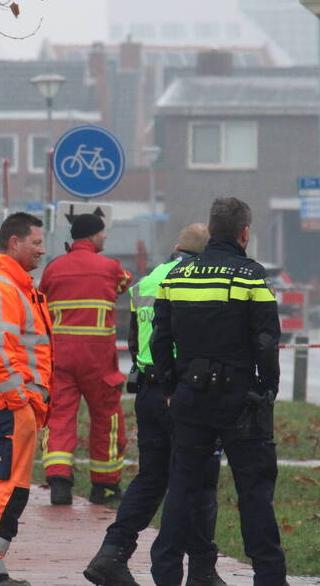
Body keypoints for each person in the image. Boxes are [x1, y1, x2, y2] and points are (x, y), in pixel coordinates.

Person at [149, 198, 285, 586]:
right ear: (244, 232)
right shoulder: (250, 277)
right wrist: (266, 390)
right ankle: (269, 577)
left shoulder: (176, 277)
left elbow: (161, 339)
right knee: (254, 492)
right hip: (240, 398)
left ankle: (165, 572)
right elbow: (265, 341)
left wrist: (171, 387)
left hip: (189, 397)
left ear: (211, 230)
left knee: (183, 487)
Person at [84, 223, 226, 586]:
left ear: (177, 245)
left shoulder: (146, 281)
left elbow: (134, 340)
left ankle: (111, 554)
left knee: (151, 478)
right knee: (198, 482)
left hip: (148, 390)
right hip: (183, 393)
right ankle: (200, 571)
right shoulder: (196, 280)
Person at [0, 212, 53, 586]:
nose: (42, 250)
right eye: (35, 242)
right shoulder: (1, 287)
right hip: (11, 405)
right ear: (13, 243)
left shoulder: (11, 285)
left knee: (7, 486)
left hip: (14, 404)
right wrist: (21, 400)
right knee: (2, 486)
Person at [38, 213, 132, 505]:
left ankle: (58, 479)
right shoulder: (110, 267)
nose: (105, 237)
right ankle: (104, 486)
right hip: (98, 358)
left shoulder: (53, 269)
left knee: (60, 417)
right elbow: (124, 283)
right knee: (106, 417)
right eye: (103, 233)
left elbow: (42, 295)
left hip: (61, 356)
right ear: (92, 236)